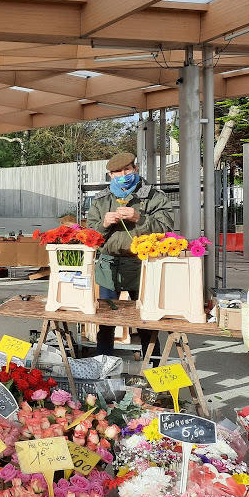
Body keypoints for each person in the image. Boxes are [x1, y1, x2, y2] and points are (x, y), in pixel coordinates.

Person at [87, 152, 174, 358]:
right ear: (110, 175)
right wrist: (103, 224)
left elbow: (166, 229)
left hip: (142, 266)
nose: (123, 175)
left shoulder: (153, 196)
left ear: (135, 169)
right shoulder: (101, 200)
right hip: (109, 267)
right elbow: (89, 237)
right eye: (117, 172)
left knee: (146, 323)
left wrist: (139, 218)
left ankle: (152, 366)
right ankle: (103, 367)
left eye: (127, 169)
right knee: (106, 323)